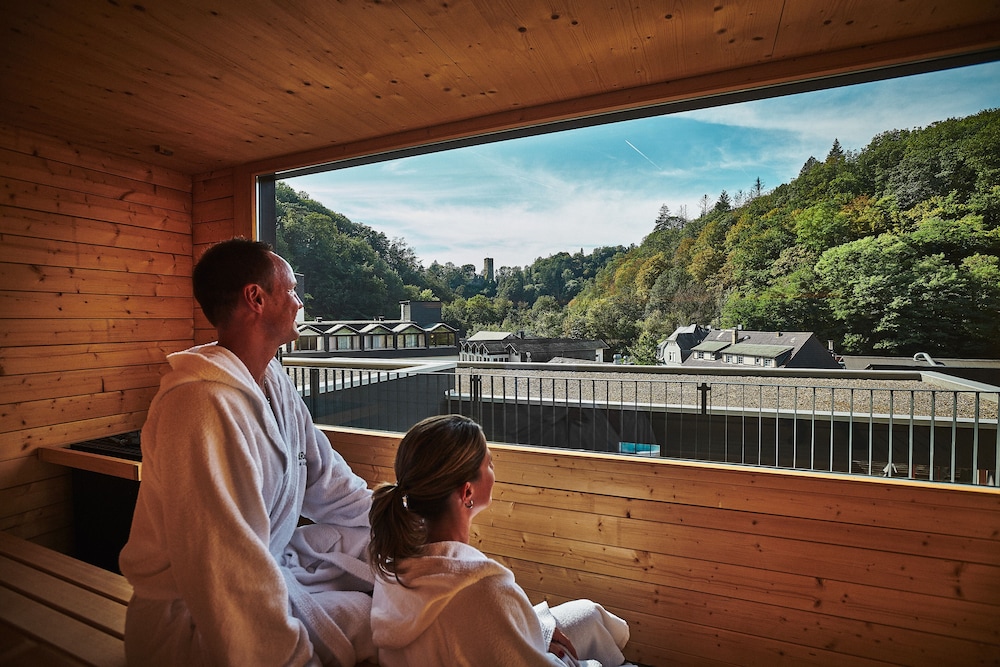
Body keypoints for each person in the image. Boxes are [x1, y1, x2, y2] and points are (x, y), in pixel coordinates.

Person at [120, 238, 376, 666]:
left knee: (381, 543)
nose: (299, 302)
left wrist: (403, 524)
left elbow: (327, 479)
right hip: (195, 624)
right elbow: (225, 570)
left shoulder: (272, 379)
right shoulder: (200, 407)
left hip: (269, 565)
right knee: (373, 618)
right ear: (256, 298)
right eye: (291, 290)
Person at [367, 414, 632, 667]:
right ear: (467, 492)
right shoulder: (484, 590)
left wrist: (536, 635)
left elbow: (480, 637)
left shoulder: (392, 568)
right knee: (600, 632)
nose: (494, 470)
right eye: (489, 464)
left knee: (589, 613)